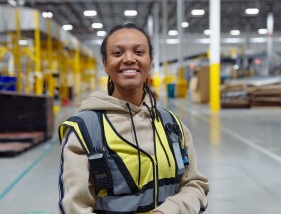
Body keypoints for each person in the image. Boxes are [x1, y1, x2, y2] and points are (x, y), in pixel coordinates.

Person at [58, 23, 209, 214]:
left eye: (139, 52)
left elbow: (195, 185)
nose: (129, 59)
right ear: (105, 64)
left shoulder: (171, 125)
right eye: (117, 53)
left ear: (150, 60)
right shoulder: (84, 131)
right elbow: (74, 209)